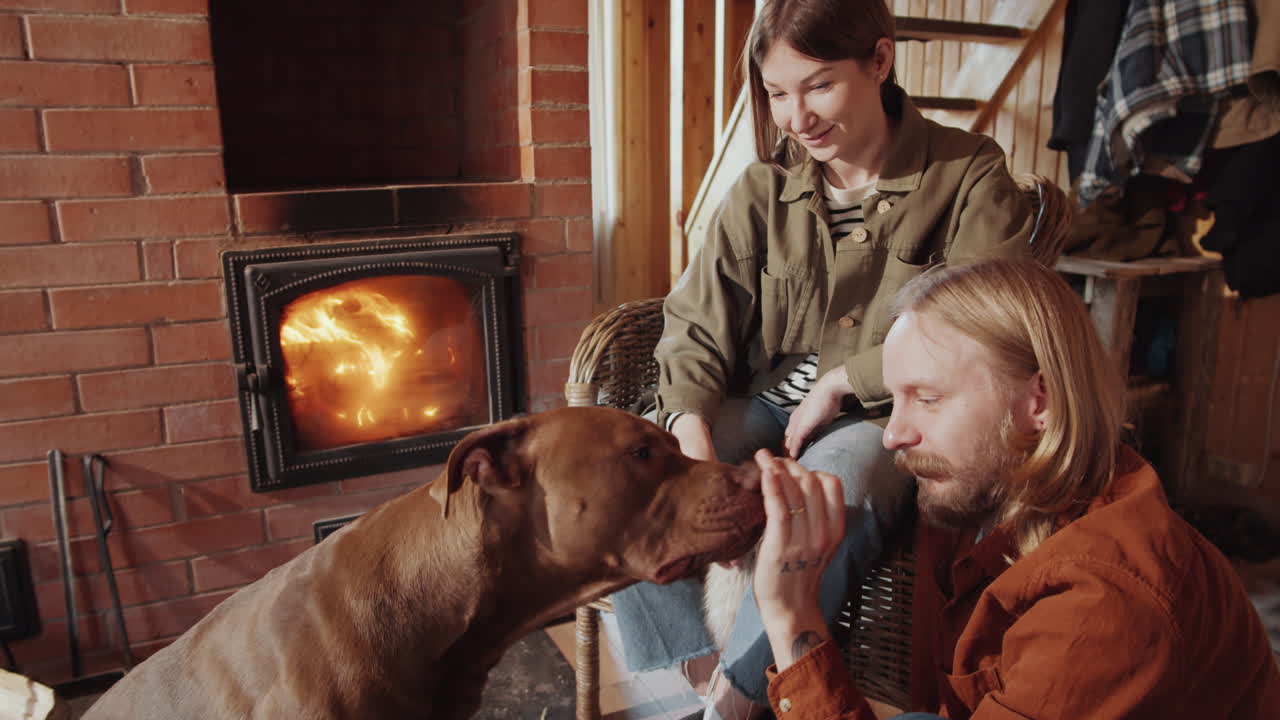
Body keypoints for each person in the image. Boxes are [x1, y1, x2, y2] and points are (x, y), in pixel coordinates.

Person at [610, 0, 1036, 717]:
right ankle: (703, 669)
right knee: (626, 458)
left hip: (887, 409)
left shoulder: (967, 174)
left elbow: (981, 321)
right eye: (778, 93)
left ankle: (739, 701)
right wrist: (685, 428)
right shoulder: (760, 191)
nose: (796, 117)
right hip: (768, 398)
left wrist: (845, 380)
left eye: (818, 86)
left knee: (845, 480)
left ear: (879, 61)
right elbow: (693, 323)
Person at [751, 258, 1280, 719]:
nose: (892, 435)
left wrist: (791, 615)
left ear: (1040, 402)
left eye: (928, 398)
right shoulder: (978, 492)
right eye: (894, 400)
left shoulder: (1104, 606)